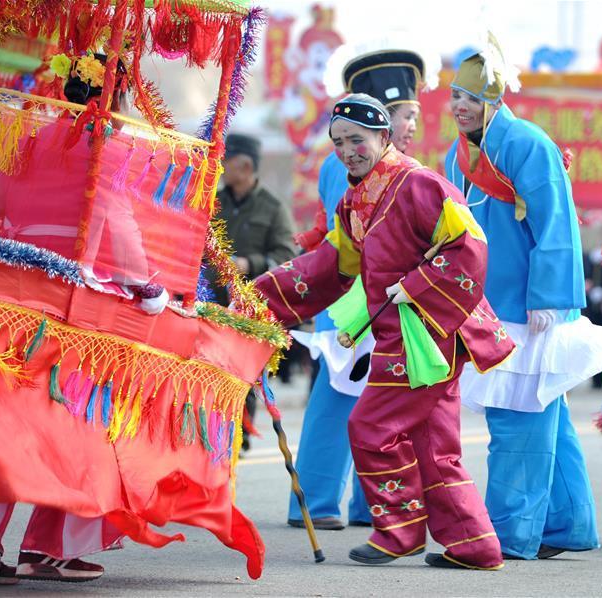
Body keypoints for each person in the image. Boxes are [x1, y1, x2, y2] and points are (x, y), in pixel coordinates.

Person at [254, 93, 514, 570]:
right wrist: (260, 298)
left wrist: (415, 286)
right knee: (434, 444)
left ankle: (399, 531)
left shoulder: (418, 184)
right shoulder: (357, 200)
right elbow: (331, 266)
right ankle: (474, 544)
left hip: (427, 333)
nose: (348, 150)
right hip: (413, 335)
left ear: (382, 135)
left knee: (370, 425)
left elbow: (470, 246)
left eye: (357, 139)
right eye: (338, 143)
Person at [443, 39, 602, 561]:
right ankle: (565, 525)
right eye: (455, 95)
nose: (459, 105)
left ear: (496, 98)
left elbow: (558, 224)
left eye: (470, 96)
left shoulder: (528, 143)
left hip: (530, 310)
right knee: (544, 415)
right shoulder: (456, 152)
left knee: (516, 419)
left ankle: (506, 535)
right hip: (485, 305)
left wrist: (549, 296)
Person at [0, 54, 133, 587]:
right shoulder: (106, 150)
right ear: (113, 97)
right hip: (79, 313)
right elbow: (120, 235)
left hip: (15, 307)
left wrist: (17, 253)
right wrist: (147, 287)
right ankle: (46, 548)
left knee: (16, 429)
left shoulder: (27, 144)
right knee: (79, 428)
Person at [288, 49, 431, 531]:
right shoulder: (354, 161)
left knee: (369, 402)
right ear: (382, 118)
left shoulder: (392, 162)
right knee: (338, 398)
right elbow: (352, 241)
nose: (414, 125)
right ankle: (317, 502)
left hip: (377, 299)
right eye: (406, 115)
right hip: (354, 300)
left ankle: (360, 504)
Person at [210, 133, 297, 443]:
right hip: (212, 304)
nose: (221, 165)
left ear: (245, 166)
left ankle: (239, 435)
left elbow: (287, 257)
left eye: (227, 160)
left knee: (243, 375)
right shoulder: (213, 202)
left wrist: (251, 263)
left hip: (250, 309)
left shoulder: (273, 208)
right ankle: (215, 431)